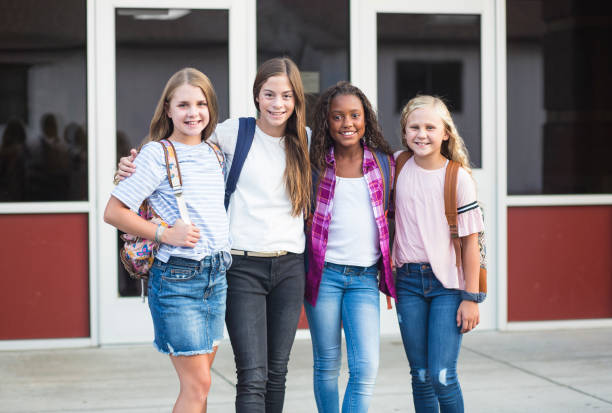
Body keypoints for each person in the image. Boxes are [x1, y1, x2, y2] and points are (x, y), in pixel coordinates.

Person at [117, 57, 311, 413]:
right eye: (269, 94)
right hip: (229, 266)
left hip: (273, 269)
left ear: (297, 99)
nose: (277, 103)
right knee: (230, 379)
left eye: (286, 95)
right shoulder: (230, 134)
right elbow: (130, 195)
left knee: (268, 374)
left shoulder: (302, 141)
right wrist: (129, 170)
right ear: (256, 96)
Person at [104, 67, 230, 413]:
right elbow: (113, 211)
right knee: (198, 383)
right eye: (184, 105)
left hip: (216, 276)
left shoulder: (215, 153)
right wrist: (164, 233)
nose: (193, 113)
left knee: (200, 386)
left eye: (201, 104)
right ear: (168, 110)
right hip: (178, 278)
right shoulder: (156, 154)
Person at [305, 81, 396, 413]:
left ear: (366, 119)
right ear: (326, 122)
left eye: (354, 115)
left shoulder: (385, 164)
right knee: (327, 363)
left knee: (365, 368)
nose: (347, 124)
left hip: (364, 281)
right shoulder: (314, 165)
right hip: (324, 276)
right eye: (337, 117)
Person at [392, 95, 484, 413]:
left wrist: (471, 297)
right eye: (414, 127)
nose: (422, 134)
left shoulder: (457, 178)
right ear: (404, 132)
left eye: (430, 127)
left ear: (446, 133)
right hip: (407, 283)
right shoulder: (398, 165)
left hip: (448, 287)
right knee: (420, 376)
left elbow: (472, 244)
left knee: (442, 376)